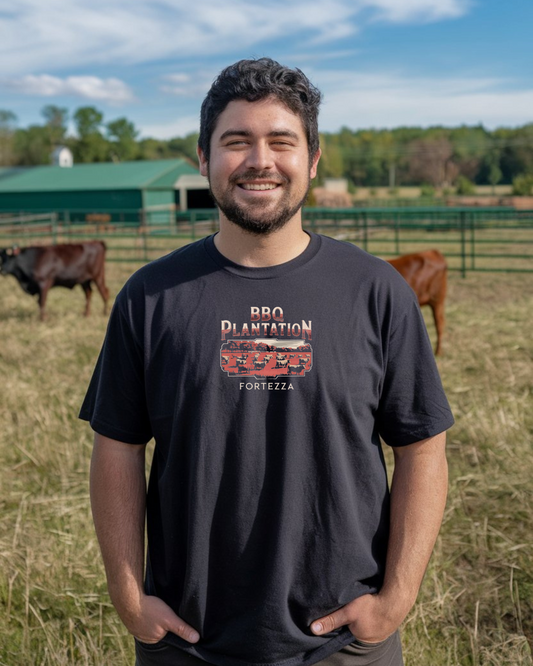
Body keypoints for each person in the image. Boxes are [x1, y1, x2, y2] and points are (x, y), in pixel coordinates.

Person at [80, 58, 454, 666]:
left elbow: (423, 448)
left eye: (282, 141)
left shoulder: (376, 291)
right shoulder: (150, 297)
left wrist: (396, 597)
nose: (260, 160)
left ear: (312, 159)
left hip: (343, 645)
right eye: (236, 141)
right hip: (188, 642)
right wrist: (128, 596)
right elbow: (117, 447)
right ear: (203, 159)